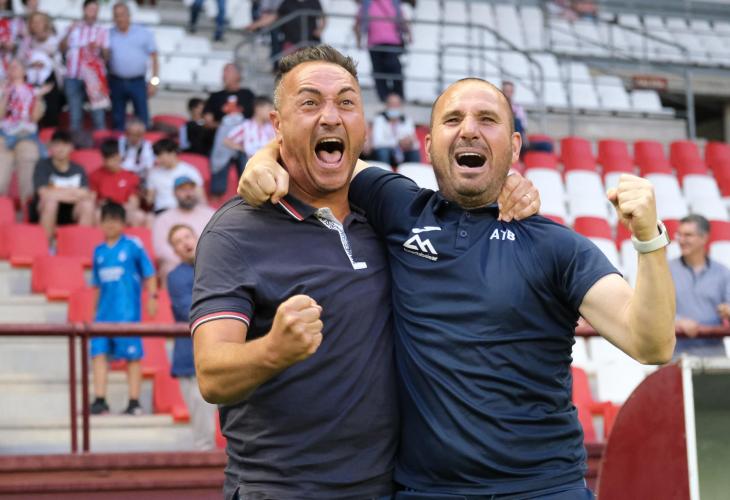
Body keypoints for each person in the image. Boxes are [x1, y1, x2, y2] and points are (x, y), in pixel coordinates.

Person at [239, 51, 677, 498]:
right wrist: (265, 158)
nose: (468, 129)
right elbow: (323, 152)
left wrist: (649, 238)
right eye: (453, 119)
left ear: (515, 147)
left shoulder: (557, 246)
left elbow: (652, 344)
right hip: (426, 491)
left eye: (487, 119)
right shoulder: (398, 207)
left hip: (543, 488)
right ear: (429, 145)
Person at [192, 45, 538, 500]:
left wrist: (509, 183)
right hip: (281, 489)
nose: (330, 116)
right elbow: (212, 375)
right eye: (310, 103)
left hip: (390, 487)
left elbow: (466, 197)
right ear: (277, 125)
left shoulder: (389, 215)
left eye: (346, 102)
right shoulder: (235, 230)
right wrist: (273, 350)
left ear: (363, 125)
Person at [90, 202, 157, 416]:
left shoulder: (133, 246)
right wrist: (93, 312)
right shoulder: (98, 251)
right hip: (103, 316)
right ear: (100, 223)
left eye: (115, 220)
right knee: (98, 354)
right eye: (106, 220)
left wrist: (152, 296)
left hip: (127, 314)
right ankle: (100, 400)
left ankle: (134, 401)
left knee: (132, 358)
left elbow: (149, 273)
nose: (110, 224)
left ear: (123, 223)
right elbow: (96, 285)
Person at [167, 223, 217, 450]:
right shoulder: (176, 277)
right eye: (178, 242)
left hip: (226, 351)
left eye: (187, 236)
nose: (185, 243)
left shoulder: (219, 265)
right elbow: (191, 311)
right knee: (203, 433)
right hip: (191, 358)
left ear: (197, 237)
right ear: (174, 251)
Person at [670, 214, 730, 357]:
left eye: (688, 235)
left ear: (704, 238)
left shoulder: (723, 272)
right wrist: (677, 321)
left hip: (714, 357)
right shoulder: (665, 270)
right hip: (676, 356)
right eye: (679, 235)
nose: (681, 240)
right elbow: (652, 309)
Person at [32, 130, 95, 239]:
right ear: (50, 147)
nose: (61, 149)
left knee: (88, 205)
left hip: (72, 211)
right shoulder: (42, 165)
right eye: (57, 145)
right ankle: (47, 245)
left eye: (65, 145)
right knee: (51, 202)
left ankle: (80, 244)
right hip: (45, 210)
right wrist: (73, 192)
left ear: (71, 147)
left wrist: (56, 192)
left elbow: (85, 194)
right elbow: (43, 193)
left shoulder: (78, 169)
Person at [59, 0, 110, 131]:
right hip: (73, 75)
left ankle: (100, 141)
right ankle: (76, 141)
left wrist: (99, 48)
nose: (93, 13)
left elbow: (107, 56)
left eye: (95, 10)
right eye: (90, 10)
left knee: (98, 115)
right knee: (75, 115)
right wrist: (68, 32)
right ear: (84, 9)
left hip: (94, 78)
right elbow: (62, 49)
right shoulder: (73, 27)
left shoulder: (102, 30)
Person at [108, 1, 159, 130]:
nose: (120, 18)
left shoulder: (143, 33)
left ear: (129, 15)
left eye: (122, 14)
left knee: (142, 119)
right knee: (118, 119)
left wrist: (154, 82)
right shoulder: (108, 34)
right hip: (116, 81)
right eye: (116, 15)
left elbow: (154, 59)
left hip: (138, 82)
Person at [152, 175, 214, 282]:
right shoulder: (163, 219)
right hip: (178, 264)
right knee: (169, 269)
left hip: (209, 262)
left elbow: (219, 240)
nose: (188, 194)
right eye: (183, 190)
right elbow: (162, 250)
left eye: (191, 189)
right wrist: (189, 261)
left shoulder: (210, 214)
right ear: (174, 193)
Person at [0, 59, 43, 202]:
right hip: (4, 136)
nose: (13, 69)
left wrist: (38, 98)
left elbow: (35, 118)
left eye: (16, 66)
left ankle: (28, 207)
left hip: (27, 136)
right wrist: (5, 95)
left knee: (28, 177)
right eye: (10, 67)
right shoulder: (2, 88)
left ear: (24, 71)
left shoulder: (33, 91)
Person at [355, 0, 409, 101]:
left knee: (386, 69)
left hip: (384, 42)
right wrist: (408, 34)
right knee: (387, 69)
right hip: (381, 42)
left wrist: (359, 40)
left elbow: (358, 23)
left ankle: (390, 96)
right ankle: (392, 96)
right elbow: (402, 19)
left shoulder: (369, 3)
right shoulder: (369, 3)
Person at [89, 138, 148, 227]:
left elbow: (133, 202)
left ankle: (132, 236)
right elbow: (92, 199)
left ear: (120, 156)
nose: (112, 162)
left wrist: (121, 207)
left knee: (139, 216)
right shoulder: (95, 175)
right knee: (97, 215)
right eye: (108, 158)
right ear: (103, 158)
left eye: (115, 157)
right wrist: (100, 203)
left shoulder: (131, 176)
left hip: (124, 210)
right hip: (104, 210)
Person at [18, 11, 63, 128]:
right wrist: (31, 64)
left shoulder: (55, 39)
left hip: (49, 79)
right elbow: (20, 60)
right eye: (34, 22)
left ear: (46, 23)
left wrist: (46, 61)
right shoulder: (26, 41)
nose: (36, 24)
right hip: (31, 81)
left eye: (39, 21)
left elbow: (60, 61)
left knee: (51, 109)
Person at [146, 138, 204, 213]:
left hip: (185, 211)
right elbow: (149, 201)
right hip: (162, 211)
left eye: (160, 156)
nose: (157, 160)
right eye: (156, 156)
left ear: (172, 153)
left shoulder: (190, 171)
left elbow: (201, 197)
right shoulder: (153, 173)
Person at [369, 92, 420, 166]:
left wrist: (410, 142)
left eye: (396, 104)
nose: (394, 107)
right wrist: (398, 142)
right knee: (383, 152)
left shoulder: (407, 120)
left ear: (400, 106)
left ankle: (414, 172)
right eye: (392, 104)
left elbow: (416, 144)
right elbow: (377, 143)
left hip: (402, 153)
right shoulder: (379, 119)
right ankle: (384, 172)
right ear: (387, 105)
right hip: (388, 154)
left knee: (414, 152)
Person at [502, 80, 529, 152]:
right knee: (516, 121)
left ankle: (519, 144)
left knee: (546, 145)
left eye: (510, 91)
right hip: (504, 134)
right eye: (506, 91)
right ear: (502, 91)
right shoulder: (497, 106)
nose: (508, 93)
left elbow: (524, 125)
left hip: (518, 134)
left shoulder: (518, 107)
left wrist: (525, 138)